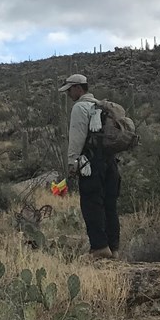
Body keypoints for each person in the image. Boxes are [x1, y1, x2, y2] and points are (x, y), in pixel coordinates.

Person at [59, 73, 121, 260]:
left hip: (91, 163)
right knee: (110, 206)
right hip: (111, 163)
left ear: (79, 88)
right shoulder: (102, 107)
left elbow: (77, 137)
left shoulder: (80, 107)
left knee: (91, 204)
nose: (68, 94)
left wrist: (72, 162)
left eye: (70, 89)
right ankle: (114, 248)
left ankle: (99, 248)